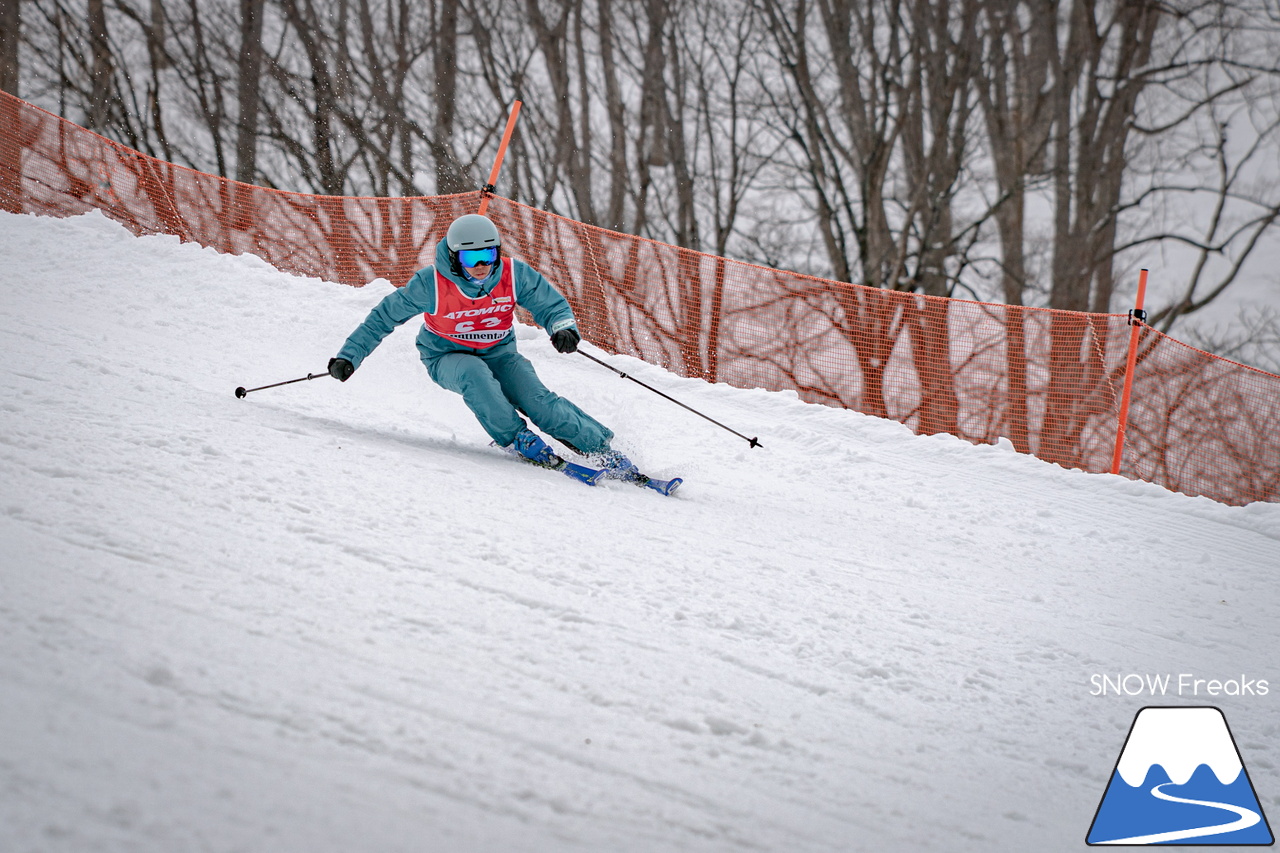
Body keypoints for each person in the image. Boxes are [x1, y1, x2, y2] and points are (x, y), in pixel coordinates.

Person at [328, 213, 638, 478]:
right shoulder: (431, 283)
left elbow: (549, 303)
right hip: (445, 356)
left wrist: (562, 328)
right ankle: (516, 438)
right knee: (474, 373)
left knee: (537, 400)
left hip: (500, 353)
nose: (480, 265)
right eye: (470, 258)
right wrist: (349, 357)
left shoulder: (512, 274)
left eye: (487, 255)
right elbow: (382, 318)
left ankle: (600, 449)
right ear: (455, 257)